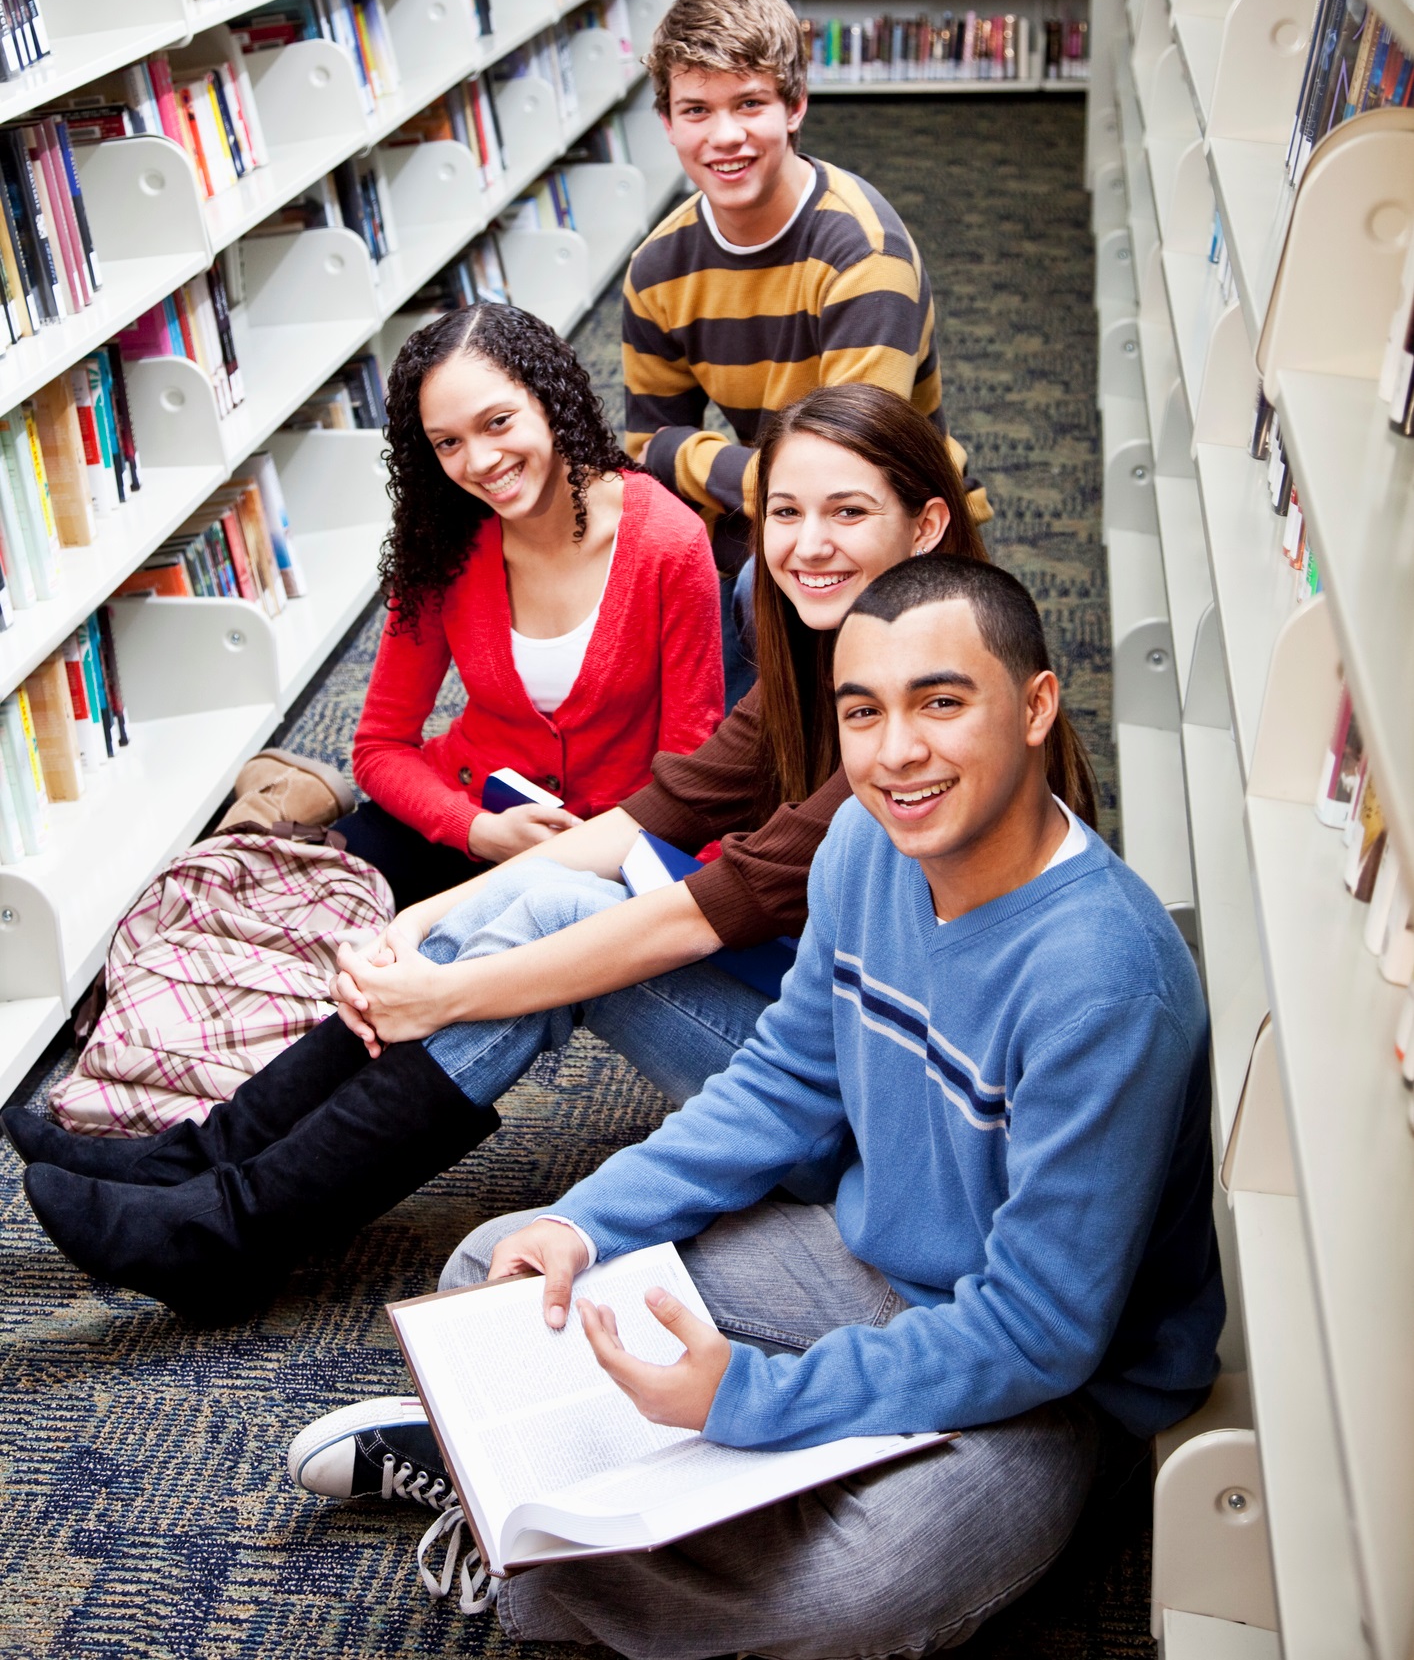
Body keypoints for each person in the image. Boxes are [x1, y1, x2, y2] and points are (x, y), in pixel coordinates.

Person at [297, 556, 1222, 1657]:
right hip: (858, 1264)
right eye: (862, 713)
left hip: (1052, 1387)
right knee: (495, 1275)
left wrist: (749, 1400)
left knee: (867, 1583)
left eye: (941, 702)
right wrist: (579, 1224)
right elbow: (781, 1083)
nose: (898, 753)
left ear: (1033, 707)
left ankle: (528, 1536)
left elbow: (1040, 1331)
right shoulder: (863, 846)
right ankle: (569, 1493)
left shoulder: (1104, 980)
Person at [8, 393, 1045, 1332]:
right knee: (540, 895)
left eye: (847, 514)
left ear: (928, 524)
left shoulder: (923, 721)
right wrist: (427, 921)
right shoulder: (833, 652)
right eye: (784, 512)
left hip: (892, 1131)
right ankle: (207, 1166)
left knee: (552, 918)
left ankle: (231, 1223)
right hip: (833, 1030)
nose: (808, 546)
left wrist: (447, 990)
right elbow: (654, 812)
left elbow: (698, 913)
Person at [622, 0, 984, 704]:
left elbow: (849, 474)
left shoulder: (861, 251)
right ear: (667, 122)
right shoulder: (659, 267)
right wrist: (727, 493)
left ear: (795, 107)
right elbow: (645, 452)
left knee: (764, 587)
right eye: (697, 109)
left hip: (897, 517)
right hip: (771, 513)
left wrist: (711, 472)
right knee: (648, 589)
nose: (724, 136)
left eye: (749, 103)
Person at [330, 300, 723, 910]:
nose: (480, 462)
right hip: (467, 817)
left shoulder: (668, 543)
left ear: (549, 397)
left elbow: (689, 773)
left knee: (454, 980)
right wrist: (478, 831)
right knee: (316, 918)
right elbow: (379, 748)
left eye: (498, 422)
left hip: (608, 849)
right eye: (448, 442)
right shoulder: (444, 541)